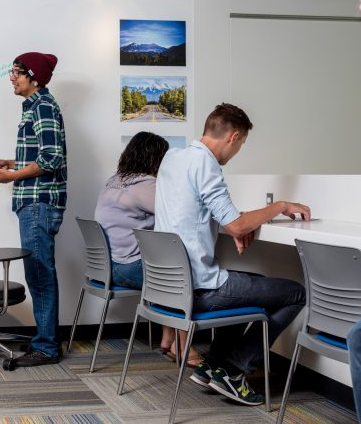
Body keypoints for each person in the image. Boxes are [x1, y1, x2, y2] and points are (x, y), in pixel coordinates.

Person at [155, 103, 309, 406]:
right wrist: (278, 207)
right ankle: (236, 370)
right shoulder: (207, 164)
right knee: (295, 293)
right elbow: (236, 225)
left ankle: (214, 365)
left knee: (251, 283)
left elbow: (195, 210)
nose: (237, 152)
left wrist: (240, 224)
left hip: (170, 288)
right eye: (241, 145)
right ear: (234, 137)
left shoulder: (173, 157)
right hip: (200, 289)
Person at [94, 132, 201, 367]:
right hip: (127, 267)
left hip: (110, 265)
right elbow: (177, 212)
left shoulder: (115, 180)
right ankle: (181, 345)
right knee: (177, 277)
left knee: (165, 266)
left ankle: (167, 338)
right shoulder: (144, 185)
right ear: (155, 158)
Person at [0, 52, 67, 367]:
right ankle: (44, 342)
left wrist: (13, 176)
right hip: (33, 203)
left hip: (39, 204)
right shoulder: (35, 108)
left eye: (16, 71)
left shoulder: (43, 107)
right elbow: (43, 154)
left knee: (40, 275)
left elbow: (51, 158)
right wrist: (14, 163)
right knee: (39, 273)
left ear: (33, 76)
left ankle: (46, 347)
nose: (11, 76)